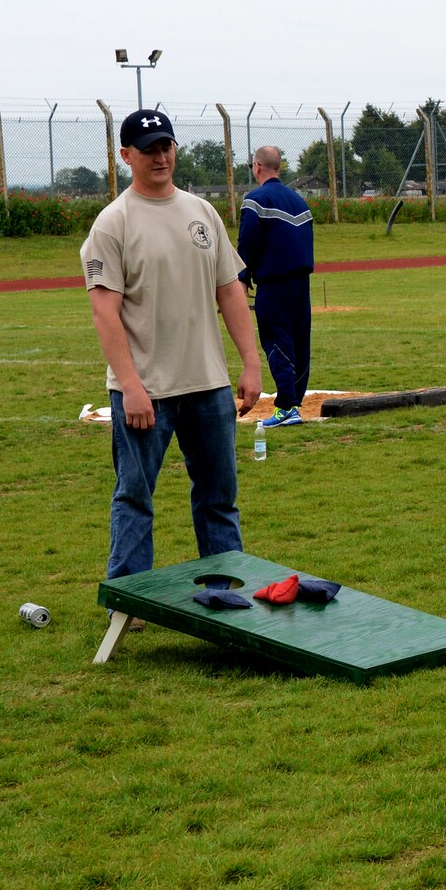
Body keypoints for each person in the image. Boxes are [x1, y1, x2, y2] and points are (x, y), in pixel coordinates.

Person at [82, 108, 263, 583]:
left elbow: (230, 291)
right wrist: (130, 387)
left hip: (208, 385)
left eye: (166, 146)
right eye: (148, 150)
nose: (160, 157)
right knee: (135, 499)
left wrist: (250, 363)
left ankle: (227, 591)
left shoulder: (202, 213)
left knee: (219, 499)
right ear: (126, 156)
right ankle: (128, 600)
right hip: (146, 392)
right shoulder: (113, 223)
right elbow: (105, 312)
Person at [237, 145, 315, 427]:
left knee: (276, 339)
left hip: (272, 283)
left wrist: (242, 278)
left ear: (257, 167)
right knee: (299, 339)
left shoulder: (255, 199)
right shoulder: (299, 201)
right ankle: (295, 401)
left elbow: (247, 243)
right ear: (278, 168)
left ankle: (286, 407)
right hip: (301, 282)